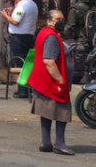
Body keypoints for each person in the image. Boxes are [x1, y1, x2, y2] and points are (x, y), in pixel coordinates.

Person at [28, 10, 75, 156]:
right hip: (51, 82)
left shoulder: (46, 33)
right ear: (49, 21)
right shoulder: (51, 37)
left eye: (62, 19)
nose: (60, 22)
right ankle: (59, 144)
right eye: (57, 19)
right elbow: (48, 61)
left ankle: (46, 142)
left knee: (46, 112)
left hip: (44, 81)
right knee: (62, 110)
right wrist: (60, 80)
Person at [1, 0, 39, 99]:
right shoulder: (32, 4)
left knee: (20, 64)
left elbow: (15, 22)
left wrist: (6, 16)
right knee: (28, 63)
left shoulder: (22, 5)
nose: (14, 0)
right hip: (29, 36)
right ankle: (28, 88)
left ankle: (23, 90)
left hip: (19, 38)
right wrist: (13, 10)